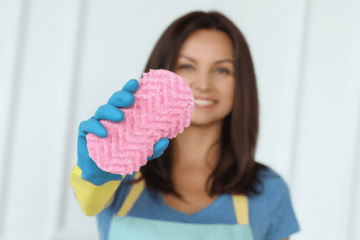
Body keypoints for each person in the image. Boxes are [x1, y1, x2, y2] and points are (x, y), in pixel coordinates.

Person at [69, 10, 300, 240]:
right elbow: (89, 203)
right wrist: (99, 171)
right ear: (163, 72)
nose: (202, 84)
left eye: (222, 70)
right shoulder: (121, 175)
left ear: (241, 83)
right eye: (187, 66)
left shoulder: (269, 190)